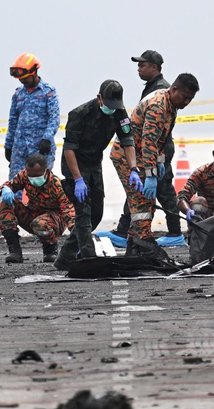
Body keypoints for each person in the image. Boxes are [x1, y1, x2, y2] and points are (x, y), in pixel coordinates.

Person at [96, 50, 185, 248]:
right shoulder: (156, 90)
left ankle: (162, 233)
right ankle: (136, 233)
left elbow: (151, 137)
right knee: (141, 192)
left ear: (154, 67)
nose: (138, 68)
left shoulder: (161, 91)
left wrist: (157, 163)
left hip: (151, 150)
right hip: (148, 151)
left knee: (154, 191)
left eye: (142, 64)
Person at [54, 80, 141, 271]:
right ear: (99, 98)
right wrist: (77, 180)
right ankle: (89, 259)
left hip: (94, 164)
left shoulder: (119, 111)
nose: (111, 109)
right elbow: (69, 149)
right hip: (75, 164)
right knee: (83, 213)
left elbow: (127, 141)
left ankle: (66, 256)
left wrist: (134, 169)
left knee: (96, 214)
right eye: (108, 105)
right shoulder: (79, 114)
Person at [110, 73, 199, 256]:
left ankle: (135, 246)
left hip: (142, 155)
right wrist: (150, 175)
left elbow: (161, 139)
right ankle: (142, 241)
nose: (186, 102)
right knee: (141, 200)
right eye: (184, 97)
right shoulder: (158, 106)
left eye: (190, 99)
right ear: (174, 90)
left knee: (146, 201)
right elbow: (148, 141)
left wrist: (159, 161)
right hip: (128, 155)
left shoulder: (171, 105)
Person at [0, 154, 74, 263]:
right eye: (31, 176)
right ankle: (14, 250)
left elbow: (68, 210)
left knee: (40, 223)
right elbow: (10, 184)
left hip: (54, 221)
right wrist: (5, 188)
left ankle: (50, 250)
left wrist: (78, 234)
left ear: (45, 171)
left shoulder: (56, 184)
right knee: (5, 204)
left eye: (37, 176)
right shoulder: (24, 175)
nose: (33, 180)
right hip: (32, 215)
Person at [6, 52, 60, 180]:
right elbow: (13, 121)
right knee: (15, 188)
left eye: (25, 78)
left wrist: (47, 138)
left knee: (40, 188)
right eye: (20, 79)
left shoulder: (48, 92)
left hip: (41, 150)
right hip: (20, 150)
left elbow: (54, 117)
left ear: (34, 72)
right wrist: (8, 145)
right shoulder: (18, 94)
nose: (22, 81)